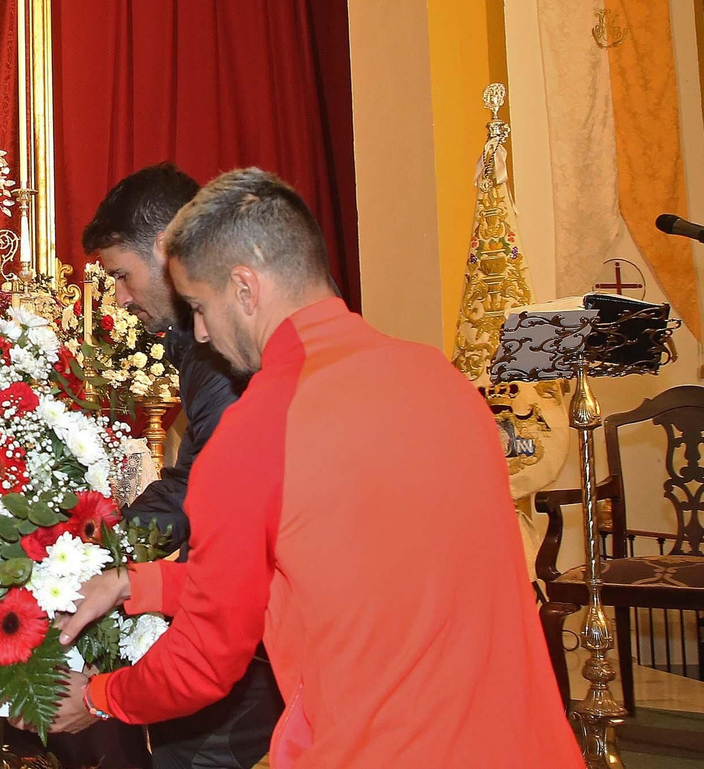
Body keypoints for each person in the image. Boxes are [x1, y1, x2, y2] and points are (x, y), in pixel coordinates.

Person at [51, 168, 581, 768]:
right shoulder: (443, 381)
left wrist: (99, 697)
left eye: (199, 306)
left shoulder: (258, 431)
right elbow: (319, 578)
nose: (197, 330)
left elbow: (205, 659)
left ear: (245, 290)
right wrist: (134, 584)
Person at [80, 164, 283, 769]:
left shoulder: (226, 350)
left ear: (169, 250)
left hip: (252, 644)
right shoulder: (204, 343)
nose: (118, 298)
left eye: (122, 275)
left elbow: (211, 495)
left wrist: (109, 553)